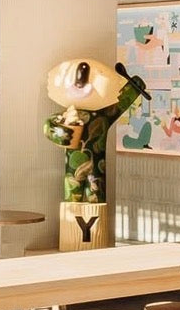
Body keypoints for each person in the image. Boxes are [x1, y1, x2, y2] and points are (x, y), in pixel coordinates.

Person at [44, 57, 148, 202]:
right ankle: (72, 222)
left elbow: (120, 103)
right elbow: (49, 127)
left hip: (97, 169)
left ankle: (94, 222)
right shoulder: (67, 117)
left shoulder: (102, 117)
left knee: (97, 200)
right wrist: (65, 131)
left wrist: (135, 86)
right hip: (74, 169)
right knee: (72, 199)